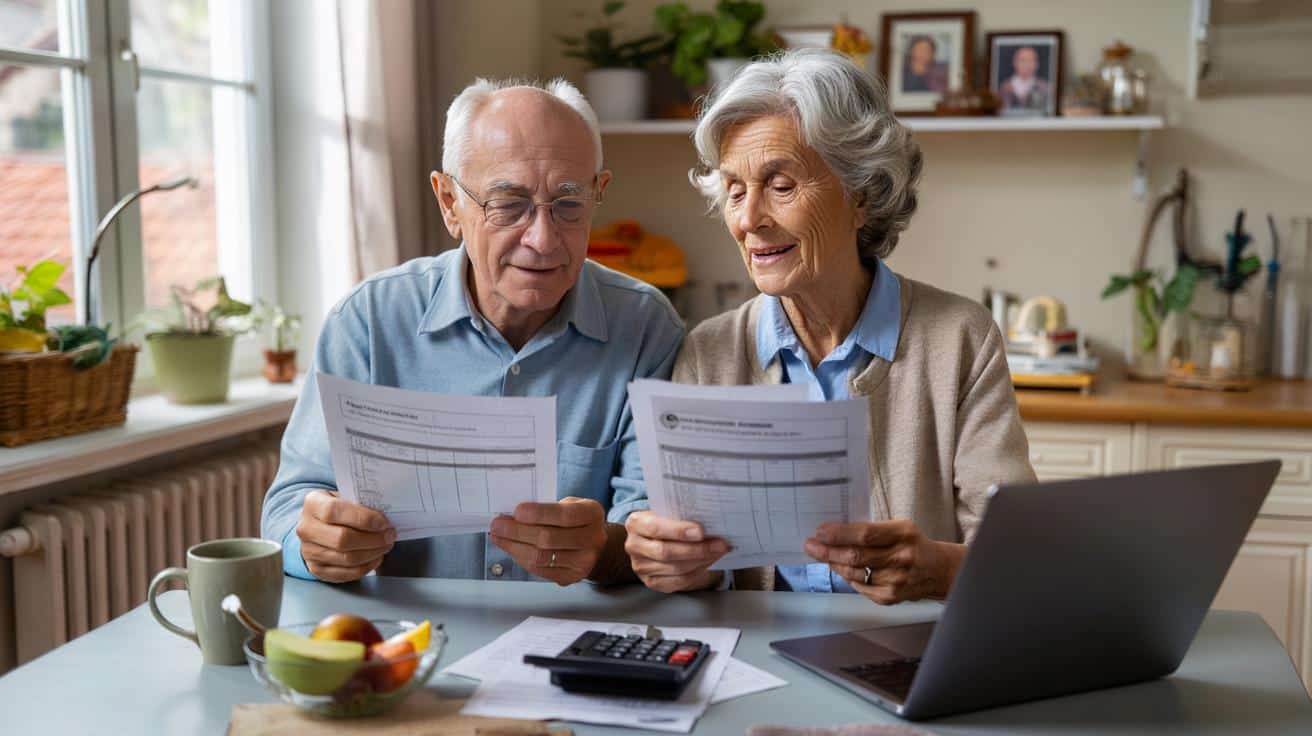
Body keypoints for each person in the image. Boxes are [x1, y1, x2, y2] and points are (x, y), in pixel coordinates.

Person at [624, 49, 1035, 604]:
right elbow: (697, 563)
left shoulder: (960, 338)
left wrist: (939, 568)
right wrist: (677, 562)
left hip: (905, 655)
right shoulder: (710, 351)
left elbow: (1017, 554)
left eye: (781, 184)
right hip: (756, 658)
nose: (748, 220)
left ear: (860, 195)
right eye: (735, 191)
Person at [262, 78, 683, 585]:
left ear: (599, 194)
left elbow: (653, 528)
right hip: (409, 644)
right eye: (509, 204)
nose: (543, 239)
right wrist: (315, 545)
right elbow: (291, 505)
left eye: (569, 205)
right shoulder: (369, 321)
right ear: (448, 204)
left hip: (575, 641)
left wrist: (604, 549)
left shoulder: (646, 328)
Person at [998, 45, 1050, 113]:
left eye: (1031, 60)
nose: (1027, 64)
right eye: (1023, 60)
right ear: (1015, 62)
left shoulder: (1045, 87)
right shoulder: (1004, 87)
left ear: (1037, 64)